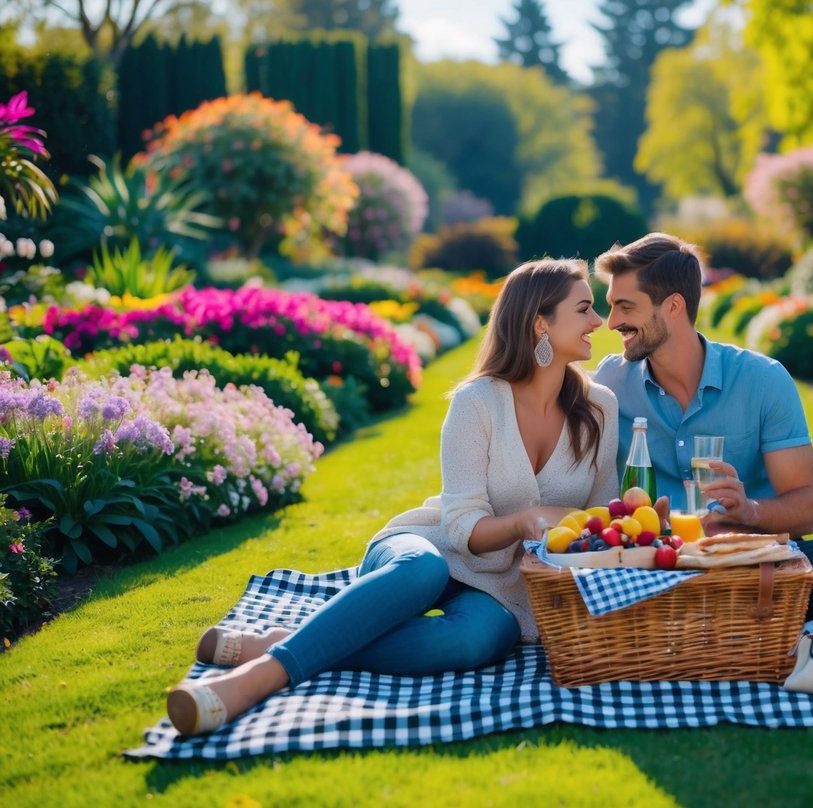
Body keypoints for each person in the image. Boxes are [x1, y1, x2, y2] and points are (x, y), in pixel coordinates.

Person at [167, 258, 620, 737]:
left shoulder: (600, 409)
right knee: (425, 569)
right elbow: (460, 528)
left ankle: (289, 642)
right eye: (585, 308)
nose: (598, 321)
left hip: (504, 588)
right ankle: (259, 678)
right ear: (539, 322)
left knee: (481, 639)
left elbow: (600, 517)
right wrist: (526, 520)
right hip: (425, 548)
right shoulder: (478, 402)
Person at [593, 233, 813, 666]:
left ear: (673, 306)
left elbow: (808, 508)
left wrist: (750, 512)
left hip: (767, 573)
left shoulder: (762, 380)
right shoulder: (610, 384)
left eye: (624, 307)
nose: (611, 322)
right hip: (664, 580)